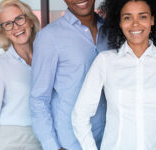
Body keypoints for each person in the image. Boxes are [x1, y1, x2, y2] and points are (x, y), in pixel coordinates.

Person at [71, 0, 156, 149]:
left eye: (142, 16)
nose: (135, 24)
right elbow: (79, 115)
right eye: (127, 17)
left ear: (152, 19)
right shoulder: (105, 61)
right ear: (119, 22)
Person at [29, 0, 108, 149]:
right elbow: (38, 99)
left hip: (108, 141)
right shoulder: (49, 37)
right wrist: (53, 146)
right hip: (70, 143)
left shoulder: (111, 31)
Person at [0, 0, 41, 150]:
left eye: (19, 19)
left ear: (30, 21)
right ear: (3, 32)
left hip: (41, 137)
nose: (16, 28)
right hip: (12, 141)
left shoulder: (46, 59)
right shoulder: (0, 67)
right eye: (7, 24)